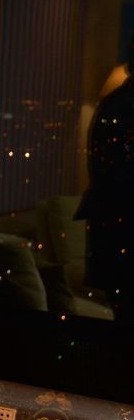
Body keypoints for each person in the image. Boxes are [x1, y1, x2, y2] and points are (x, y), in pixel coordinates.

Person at [76, 41, 134, 323]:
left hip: (115, 233)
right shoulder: (120, 108)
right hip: (122, 234)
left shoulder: (114, 105)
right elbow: (113, 176)